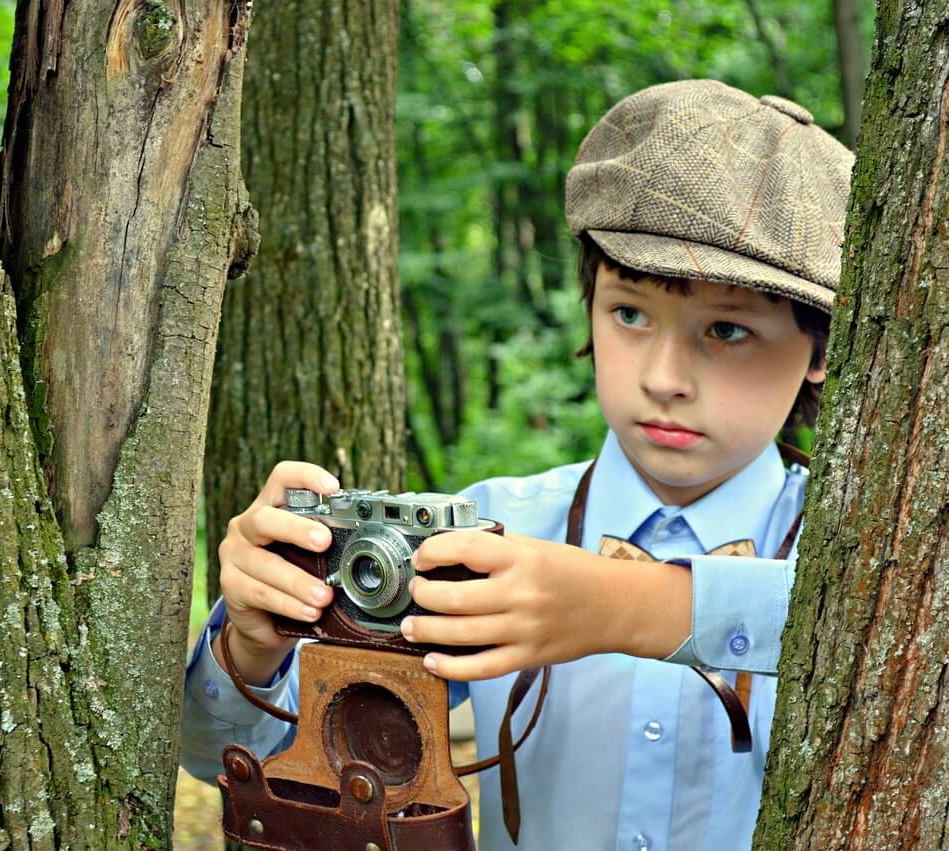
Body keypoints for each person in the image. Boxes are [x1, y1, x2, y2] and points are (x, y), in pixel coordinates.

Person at [179, 79, 854, 850]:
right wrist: (253, 651)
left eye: (728, 330)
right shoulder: (491, 531)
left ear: (822, 350)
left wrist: (626, 605)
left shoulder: (859, 557)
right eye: (629, 312)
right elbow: (229, 761)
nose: (664, 376)